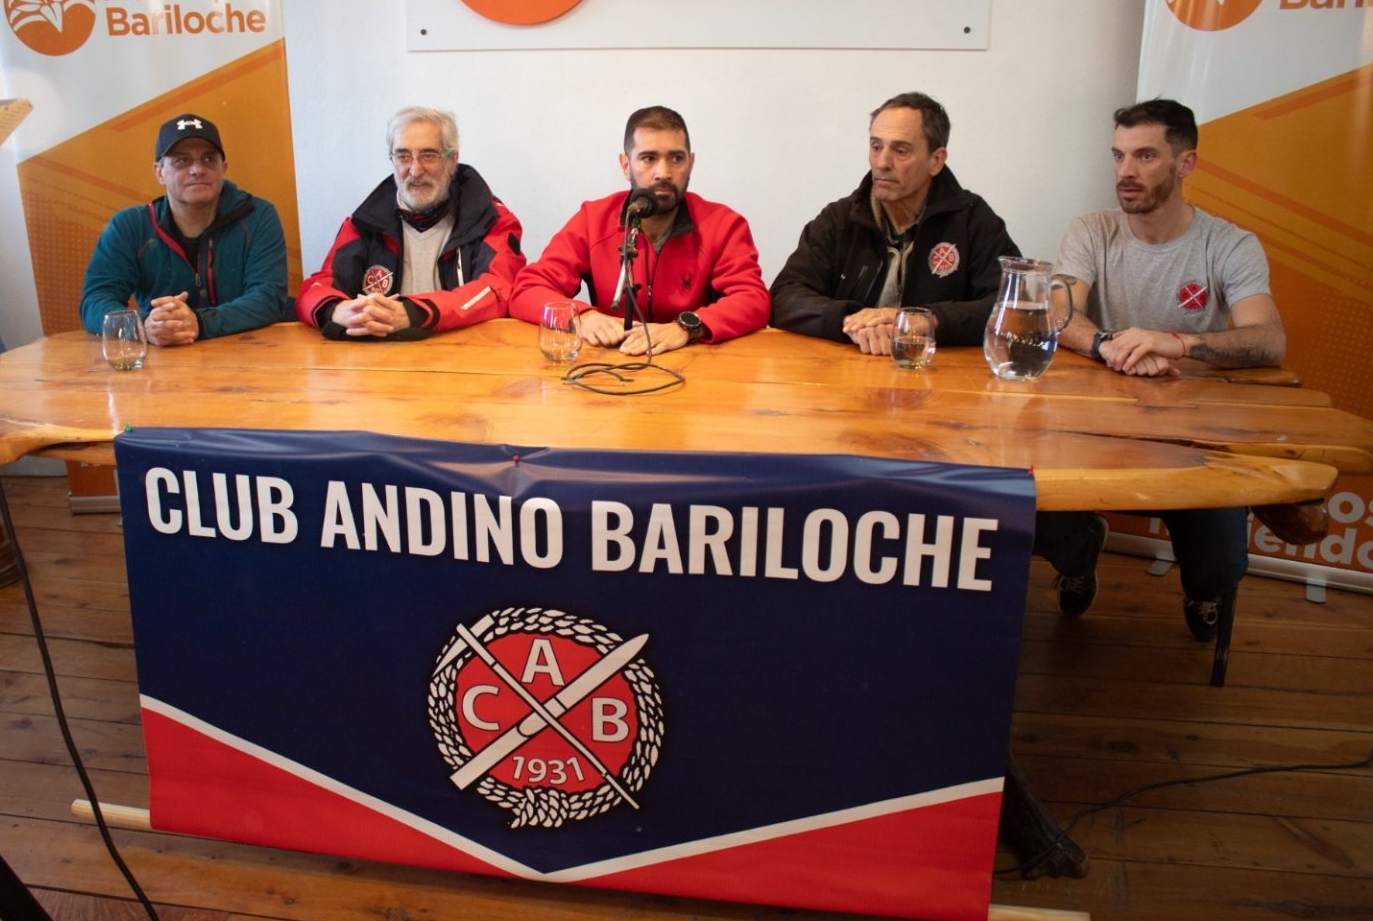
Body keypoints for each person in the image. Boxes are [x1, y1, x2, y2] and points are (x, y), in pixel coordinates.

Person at [1040, 98, 1286, 642]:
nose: (1126, 172)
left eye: (1146, 156)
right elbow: (1058, 315)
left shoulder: (1231, 244)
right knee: (1041, 517)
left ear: (1186, 164)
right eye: (1119, 156)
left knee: (1220, 566)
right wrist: (1108, 344)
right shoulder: (1091, 230)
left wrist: (1174, 343)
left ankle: (1203, 593)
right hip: (1098, 425)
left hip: (1194, 435)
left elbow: (1269, 341)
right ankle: (1079, 560)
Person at [769, 92, 1018, 354]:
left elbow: (1011, 307)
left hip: (939, 374)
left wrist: (924, 321)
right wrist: (850, 321)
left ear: (936, 160)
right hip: (846, 374)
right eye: (876, 147)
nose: (882, 163)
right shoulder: (840, 219)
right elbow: (785, 296)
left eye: (901, 151)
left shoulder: (972, 220)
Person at [509, 106, 768, 355]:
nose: (663, 172)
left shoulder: (723, 224)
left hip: (695, 361)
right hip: (612, 363)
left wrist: (687, 327)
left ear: (691, 163)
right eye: (648, 158)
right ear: (625, 165)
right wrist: (582, 316)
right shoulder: (593, 219)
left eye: (676, 159)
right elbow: (527, 290)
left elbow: (753, 299)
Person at [296, 107, 523, 341]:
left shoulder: (491, 220)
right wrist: (337, 310)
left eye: (428, 155)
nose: (415, 170)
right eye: (403, 156)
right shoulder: (364, 222)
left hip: (465, 355)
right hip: (379, 362)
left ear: (452, 160)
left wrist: (416, 313)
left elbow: (497, 290)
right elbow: (314, 289)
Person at [80, 113, 289, 346]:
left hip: (248, 355)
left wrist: (199, 322)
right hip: (163, 362)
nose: (197, 169)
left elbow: (268, 298)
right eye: (182, 161)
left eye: (209, 159)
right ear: (159, 172)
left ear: (224, 168)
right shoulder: (129, 226)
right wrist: (144, 326)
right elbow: (95, 301)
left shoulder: (258, 216)